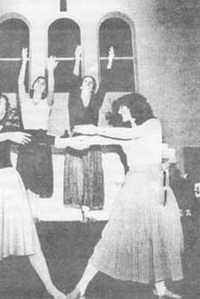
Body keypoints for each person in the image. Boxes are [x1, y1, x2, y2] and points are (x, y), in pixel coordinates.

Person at [0, 92, 85, 299]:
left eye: (5, 105)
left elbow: (38, 137)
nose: (2, 108)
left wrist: (65, 142)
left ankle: (52, 289)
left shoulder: (9, 130)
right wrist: (5, 136)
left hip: (9, 185)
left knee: (27, 238)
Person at [67, 93, 183, 299]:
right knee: (112, 235)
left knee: (158, 236)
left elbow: (131, 135)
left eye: (122, 107)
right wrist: (84, 138)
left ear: (133, 107)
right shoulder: (126, 131)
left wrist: (95, 129)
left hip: (157, 184)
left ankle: (161, 289)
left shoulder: (153, 124)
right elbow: (104, 137)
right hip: (135, 185)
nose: (119, 111)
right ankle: (81, 287)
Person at [64, 45, 114, 210]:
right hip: (76, 136)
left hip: (92, 137)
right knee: (76, 171)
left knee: (92, 171)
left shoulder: (95, 100)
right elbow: (73, 78)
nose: (88, 83)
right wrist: (77, 58)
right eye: (86, 81)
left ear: (93, 88)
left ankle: (91, 206)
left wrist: (110, 61)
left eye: (91, 83)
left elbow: (105, 84)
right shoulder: (73, 98)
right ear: (80, 86)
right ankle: (75, 205)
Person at [17, 47, 58, 198]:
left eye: (43, 83)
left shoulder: (47, 102)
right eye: (38, 81)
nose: (41, 83)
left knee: (40, 179)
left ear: (45, 88)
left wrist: (51, 70)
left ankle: (37, 214)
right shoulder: (25, 101)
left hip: (41, 140)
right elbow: (20, 83)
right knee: (25, 178)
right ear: (33, 86)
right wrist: (24, 63)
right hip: (27, 138)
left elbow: (53, 87)